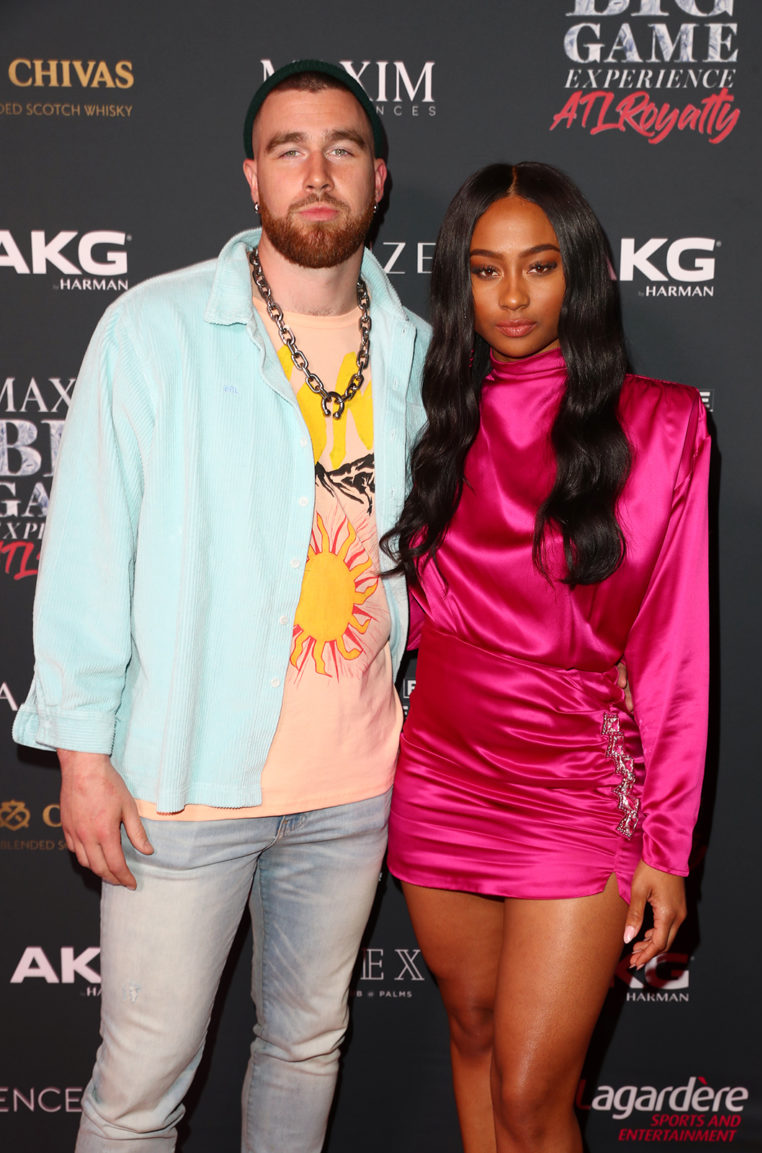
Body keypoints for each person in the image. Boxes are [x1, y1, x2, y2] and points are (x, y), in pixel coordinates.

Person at [13, 60, 429, 1152]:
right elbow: (92, 547)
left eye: (341, 147)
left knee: (304, 1048)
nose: (316, 171)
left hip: (355, 787)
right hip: (181, 785)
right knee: (141, 1087)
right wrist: (81, 754)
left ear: (378, 179)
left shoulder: (425, 356)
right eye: (288, 149)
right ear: (253, 179)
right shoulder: (153, 330)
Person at [384, 162, 710, 1153]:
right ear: (459, 283)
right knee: (473, 1030)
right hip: (438, 768)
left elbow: (674, 648)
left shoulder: (662, 425)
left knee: (533, 1097)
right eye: (486, 271)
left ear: (583, 276)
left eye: (539, 267)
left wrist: (667, 841)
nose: (514, 298)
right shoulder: (424, 411)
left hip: (573, 781)